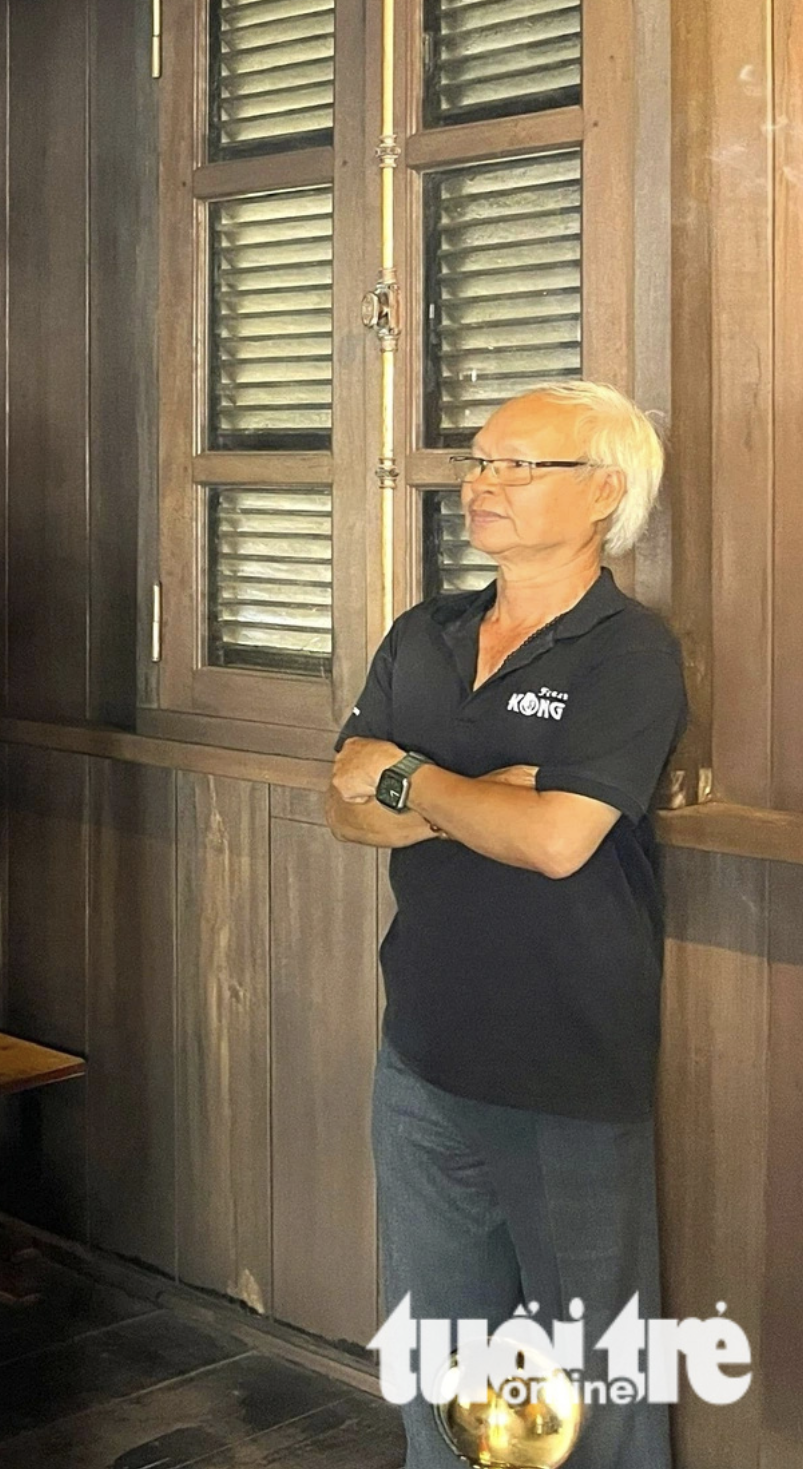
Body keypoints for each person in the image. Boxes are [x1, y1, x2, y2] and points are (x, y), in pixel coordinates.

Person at [328, 380, 685, 1469]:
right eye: (479, 459)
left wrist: (411, 780)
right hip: (421, 1053)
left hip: (565, 1067)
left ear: (604, 494)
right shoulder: (424, 631)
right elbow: (341, 801)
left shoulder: (626, 651)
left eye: (520, 464)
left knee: (595, 1387)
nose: (482, 481)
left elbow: (555, 842)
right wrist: (480, 789)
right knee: (439, 1371)